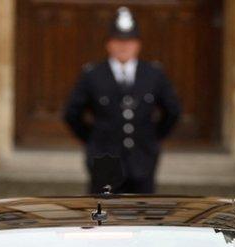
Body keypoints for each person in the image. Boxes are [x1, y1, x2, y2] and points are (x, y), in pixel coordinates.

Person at [63, 6, 180, 194]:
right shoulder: (93, 74)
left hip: (142, 157)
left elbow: (172, 111)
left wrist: (152, 138)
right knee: (103, 215)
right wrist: (93, 139)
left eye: (129, 41)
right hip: (105, 159)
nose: (123, 46)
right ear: (108, 44)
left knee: (143, 215)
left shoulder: (153, 74)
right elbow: (72, 114)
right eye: (118, 40)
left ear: (138, 44)